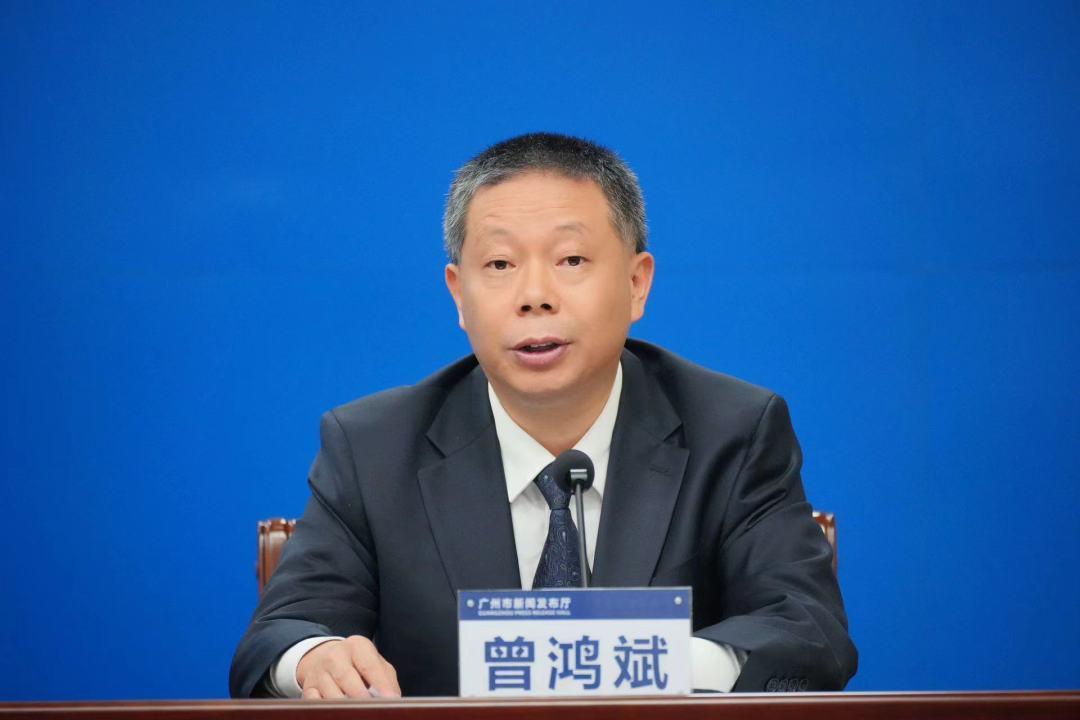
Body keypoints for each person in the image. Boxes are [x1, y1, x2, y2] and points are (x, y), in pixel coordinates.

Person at [229, 132, 858, 700]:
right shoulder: (373, 447)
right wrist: (314, 658)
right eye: (500, 265)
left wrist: (642, 662)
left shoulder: (735, 432)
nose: (534, 296)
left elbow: (809, 634)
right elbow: (281, 634)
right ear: (458, 293)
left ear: (637, 284)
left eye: (571, 260)